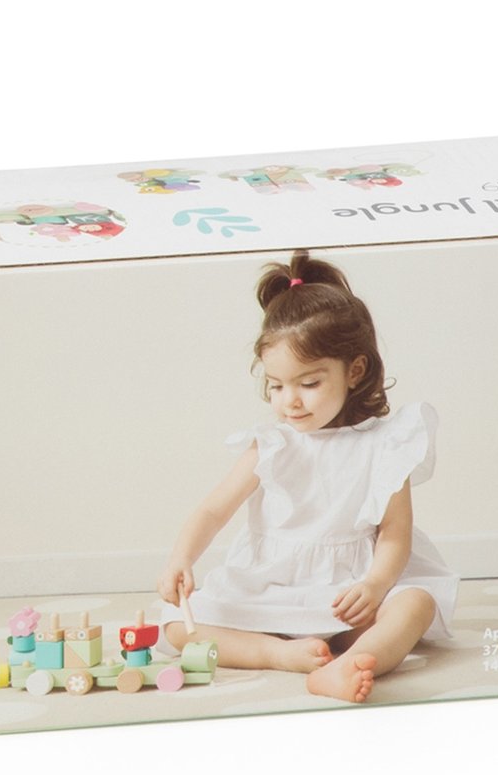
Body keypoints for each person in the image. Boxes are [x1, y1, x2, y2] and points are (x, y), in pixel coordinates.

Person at [157, 250, 457, 703]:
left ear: (354, 371)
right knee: (178, 625)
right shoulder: (272, 444)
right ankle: (276, 653)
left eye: (309, 383)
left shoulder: (386, 444)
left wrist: (375, 585)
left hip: (349, 595)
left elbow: (395, 532)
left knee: (416, 604)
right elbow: (213, 510)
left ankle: (346, 662)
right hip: (269, 590)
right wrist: (181, 558)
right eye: (276, 386)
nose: (290, 401)